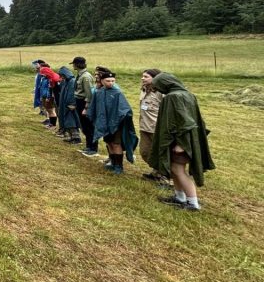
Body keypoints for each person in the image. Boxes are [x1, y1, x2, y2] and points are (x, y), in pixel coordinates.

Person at [149, 73, 215, 212]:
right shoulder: (186, 94)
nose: (157, 89)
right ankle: (180, 197)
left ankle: (193, 203)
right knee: (174, 169)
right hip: (180, 139)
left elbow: (186, 122)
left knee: (179, 170)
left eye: (158, 85)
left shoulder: (174, 97)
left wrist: (181, 144)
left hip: (181, 141)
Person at [87, 70, 138, 175]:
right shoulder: (98, 92)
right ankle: (113, 163)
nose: (110, 83)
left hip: (116, 124)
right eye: (108, 81)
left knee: (116, 144)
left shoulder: (118, 93)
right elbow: (94, 107)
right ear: (102, 81)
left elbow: (126, 110)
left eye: (112, 81)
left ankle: (119, 166)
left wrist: (118, 120)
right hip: (103, 123)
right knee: (109, 142)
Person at [138, 69, 166, 184]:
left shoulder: (161, 92)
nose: (142, 78)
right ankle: (156, 171)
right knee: (145, 152)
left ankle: (165, 178)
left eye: (146, 76)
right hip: (144, 127)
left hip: (157, 128)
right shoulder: (144, 89)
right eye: (142, 76)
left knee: (161, 154)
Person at [72, 57, 97, 156]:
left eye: (73, 64)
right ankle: (88, 146)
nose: (73, 65)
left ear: (77, 64)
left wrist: (86, 107)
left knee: (88, 126)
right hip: (79, 101)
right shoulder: (80, 75)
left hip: (84, 103)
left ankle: (93, 148)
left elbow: (89, 94)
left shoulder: (86, 77)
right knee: (84, 126)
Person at [57, 66, 82, 144]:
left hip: (70, 106)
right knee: (67, 121)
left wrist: (71, 104)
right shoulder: (66, 81)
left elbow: (71, 94)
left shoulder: (72, 81)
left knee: (71, 122)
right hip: (64, 105)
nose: (61, 77)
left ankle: (76, 138)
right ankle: (71, 137)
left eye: (62, 75)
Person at [38, 64, 60, 129]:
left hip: (50, 97)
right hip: (46, 96)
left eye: (43, 73)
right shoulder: (46, 78)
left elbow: (49, 89)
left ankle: (53, 125)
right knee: (48, 110)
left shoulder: (51, 79)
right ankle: (51, 123)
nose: (42, 75)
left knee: (51, 110)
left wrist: (48, 97)